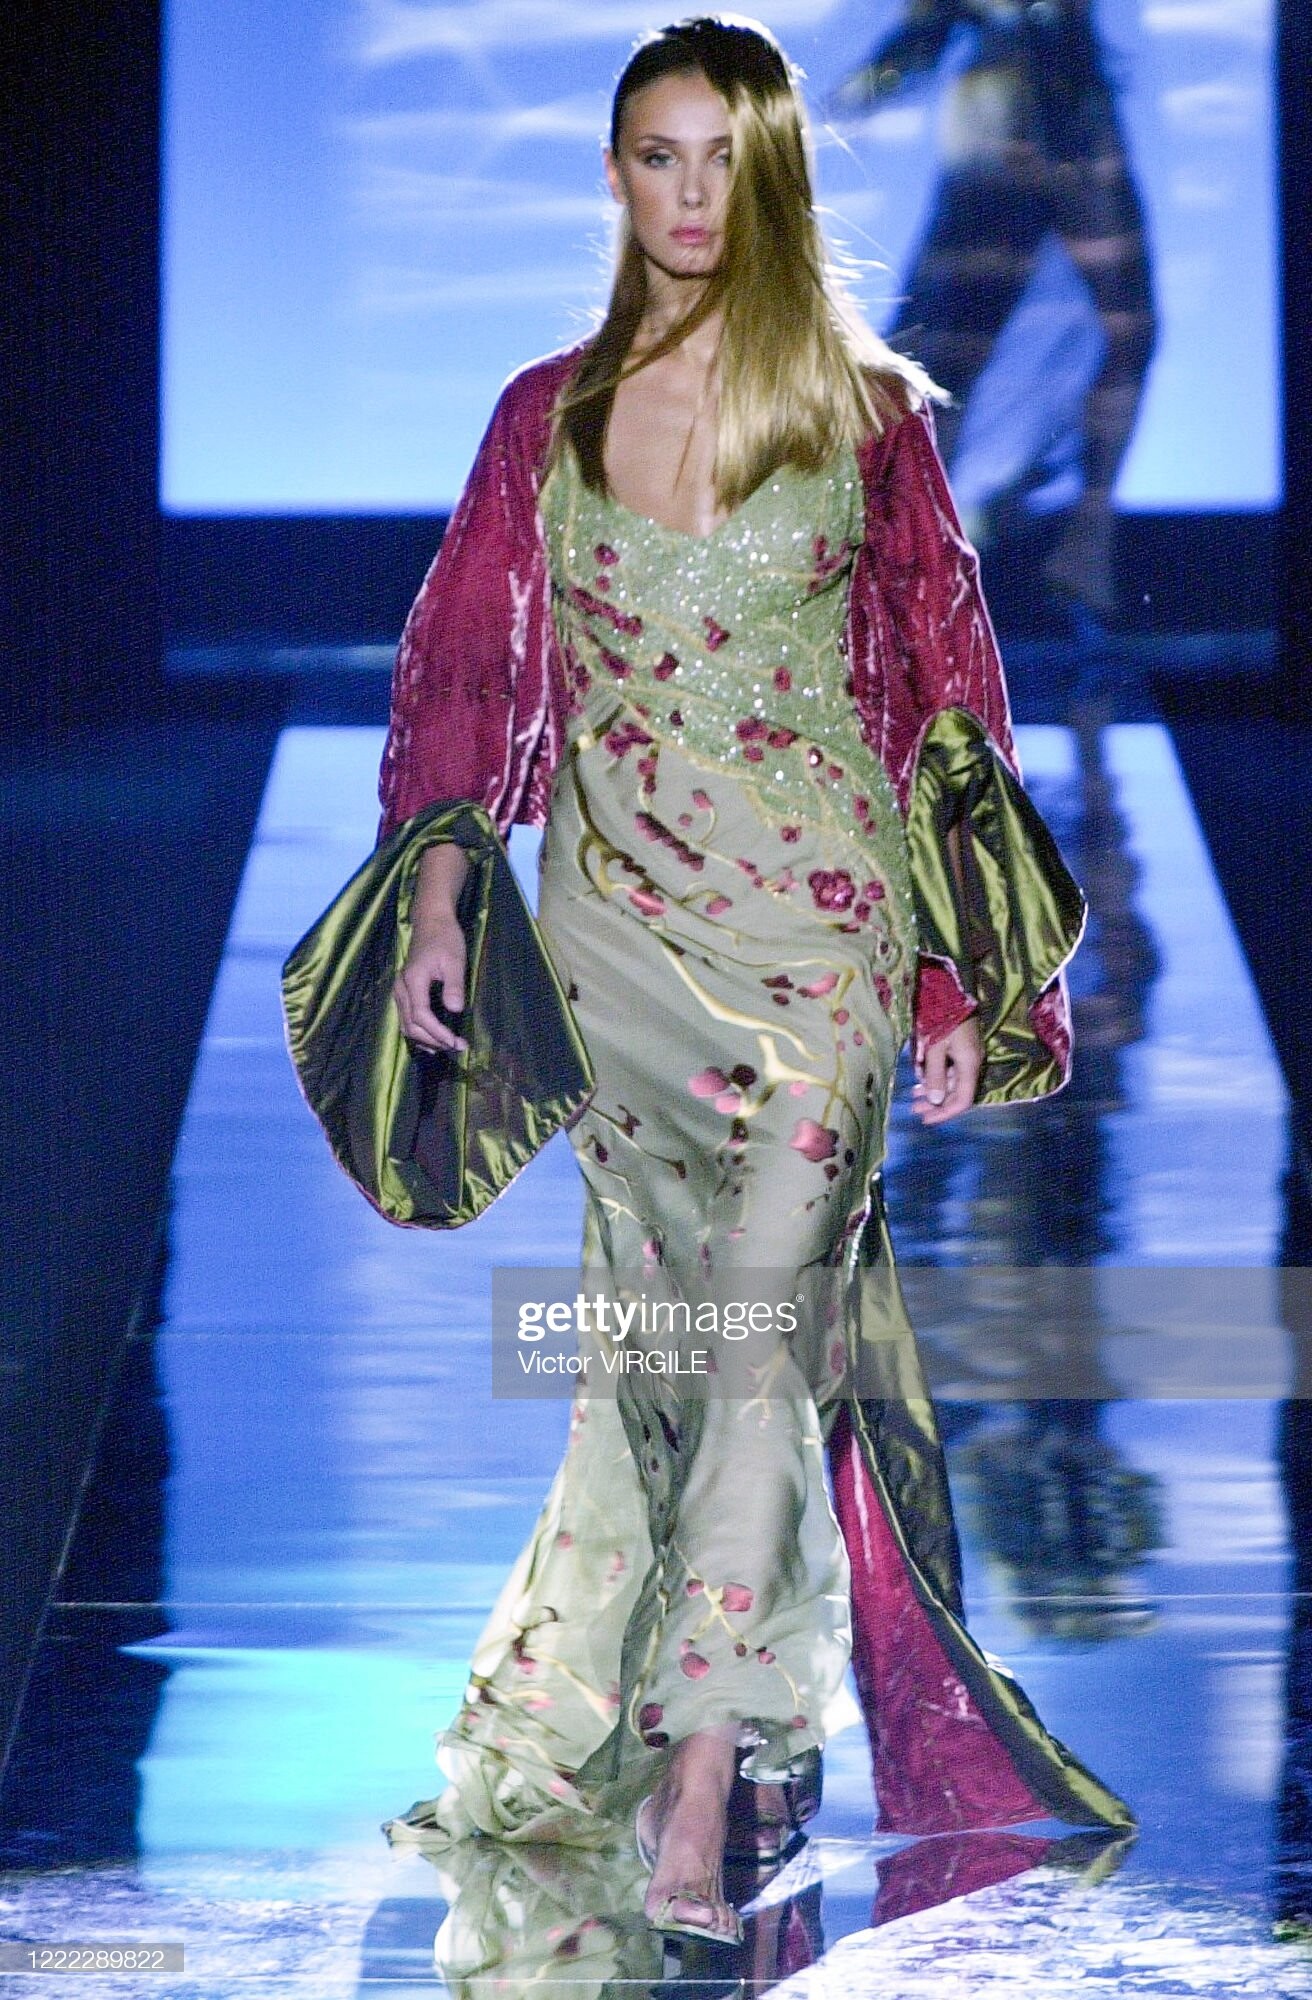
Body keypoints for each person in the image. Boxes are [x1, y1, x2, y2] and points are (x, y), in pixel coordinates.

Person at [375, 14, 1131, 1948]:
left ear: (773, 173)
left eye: (725, 157)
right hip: (615, 944)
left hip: (821, 948)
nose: (691, 194)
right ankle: (728, 1718)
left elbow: (946, 695)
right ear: (614, 173)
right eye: (659, 155)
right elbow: (467, 666)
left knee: (748, 1339)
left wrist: (953, 976)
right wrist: (445, 902)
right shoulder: (543, 417)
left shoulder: (868, 415)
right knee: (675, 1351)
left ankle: (704, 1775)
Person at [832, 0, 1157, 627]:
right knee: (955, 350)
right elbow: (927, 30)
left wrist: (865, 88)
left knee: (1111, 331)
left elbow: (925, 33)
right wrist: (861, 90)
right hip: (1020, 105)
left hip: (1052, 100)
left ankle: (1071, 546)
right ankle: (916, 559)